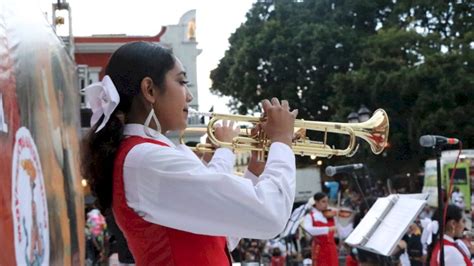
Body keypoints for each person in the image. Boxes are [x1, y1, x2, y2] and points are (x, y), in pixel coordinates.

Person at [81, 41, 298, 265]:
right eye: (182, 82)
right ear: (150, 90)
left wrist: (253, 172)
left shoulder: (147, 155)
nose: (189, 97)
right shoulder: (147, 159)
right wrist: (281, 140)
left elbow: (219, 237)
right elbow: (272, 216)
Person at [302, 192, 338, 265]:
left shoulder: (330, 215)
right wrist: (327, 229)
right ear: (316, 202)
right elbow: (308, 230)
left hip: (332, 248)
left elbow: (341, 231)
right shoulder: (310, 216)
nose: (326, 204)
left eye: (327, 201)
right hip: (319, 249)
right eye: (323, 201)